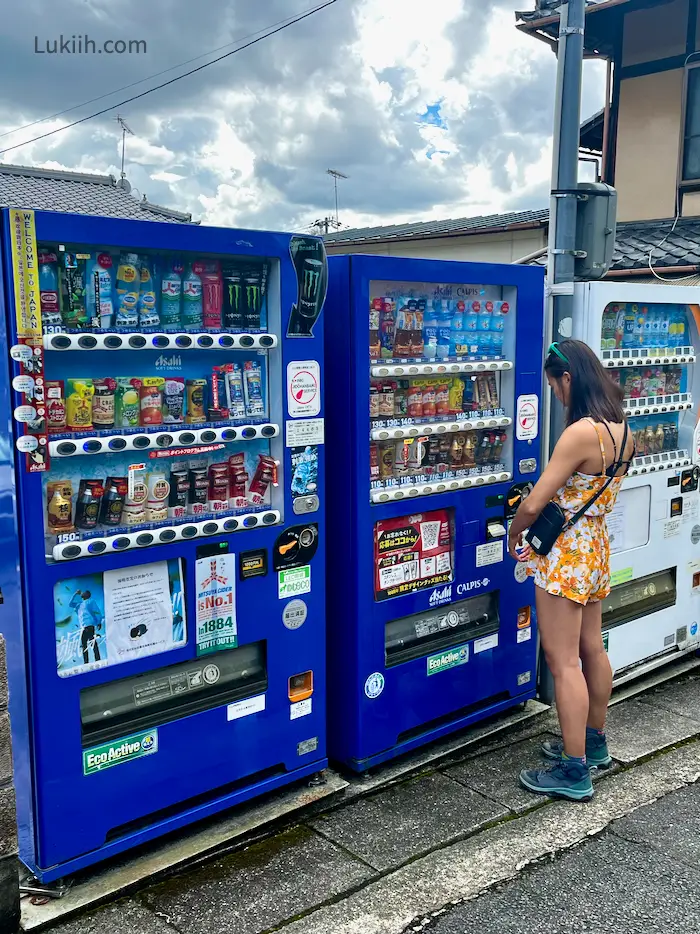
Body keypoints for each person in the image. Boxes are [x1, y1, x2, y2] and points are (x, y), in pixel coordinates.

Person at [508, 340, 635, 802]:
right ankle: (593, 741)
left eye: (555, 386)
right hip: (596, 548)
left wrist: (514, 533)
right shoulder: (621, 426)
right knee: (591, 649)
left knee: (562, 662)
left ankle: (574, 768)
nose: (556, 395)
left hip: (565, 555)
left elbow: (537, 501)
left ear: (569, 378)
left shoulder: (581, 432)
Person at [69, 589, 104, 664]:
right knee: (84, 645)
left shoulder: (90, 601)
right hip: (83, 628)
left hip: (89, 626)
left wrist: (99, 622)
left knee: (93, 643)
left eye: (85, 592)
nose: (83, 592)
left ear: (87, 595)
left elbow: (96, 610)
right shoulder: (79, 604)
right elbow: (70, 604)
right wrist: (75, 593)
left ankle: (98, 660)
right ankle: (86, 663)